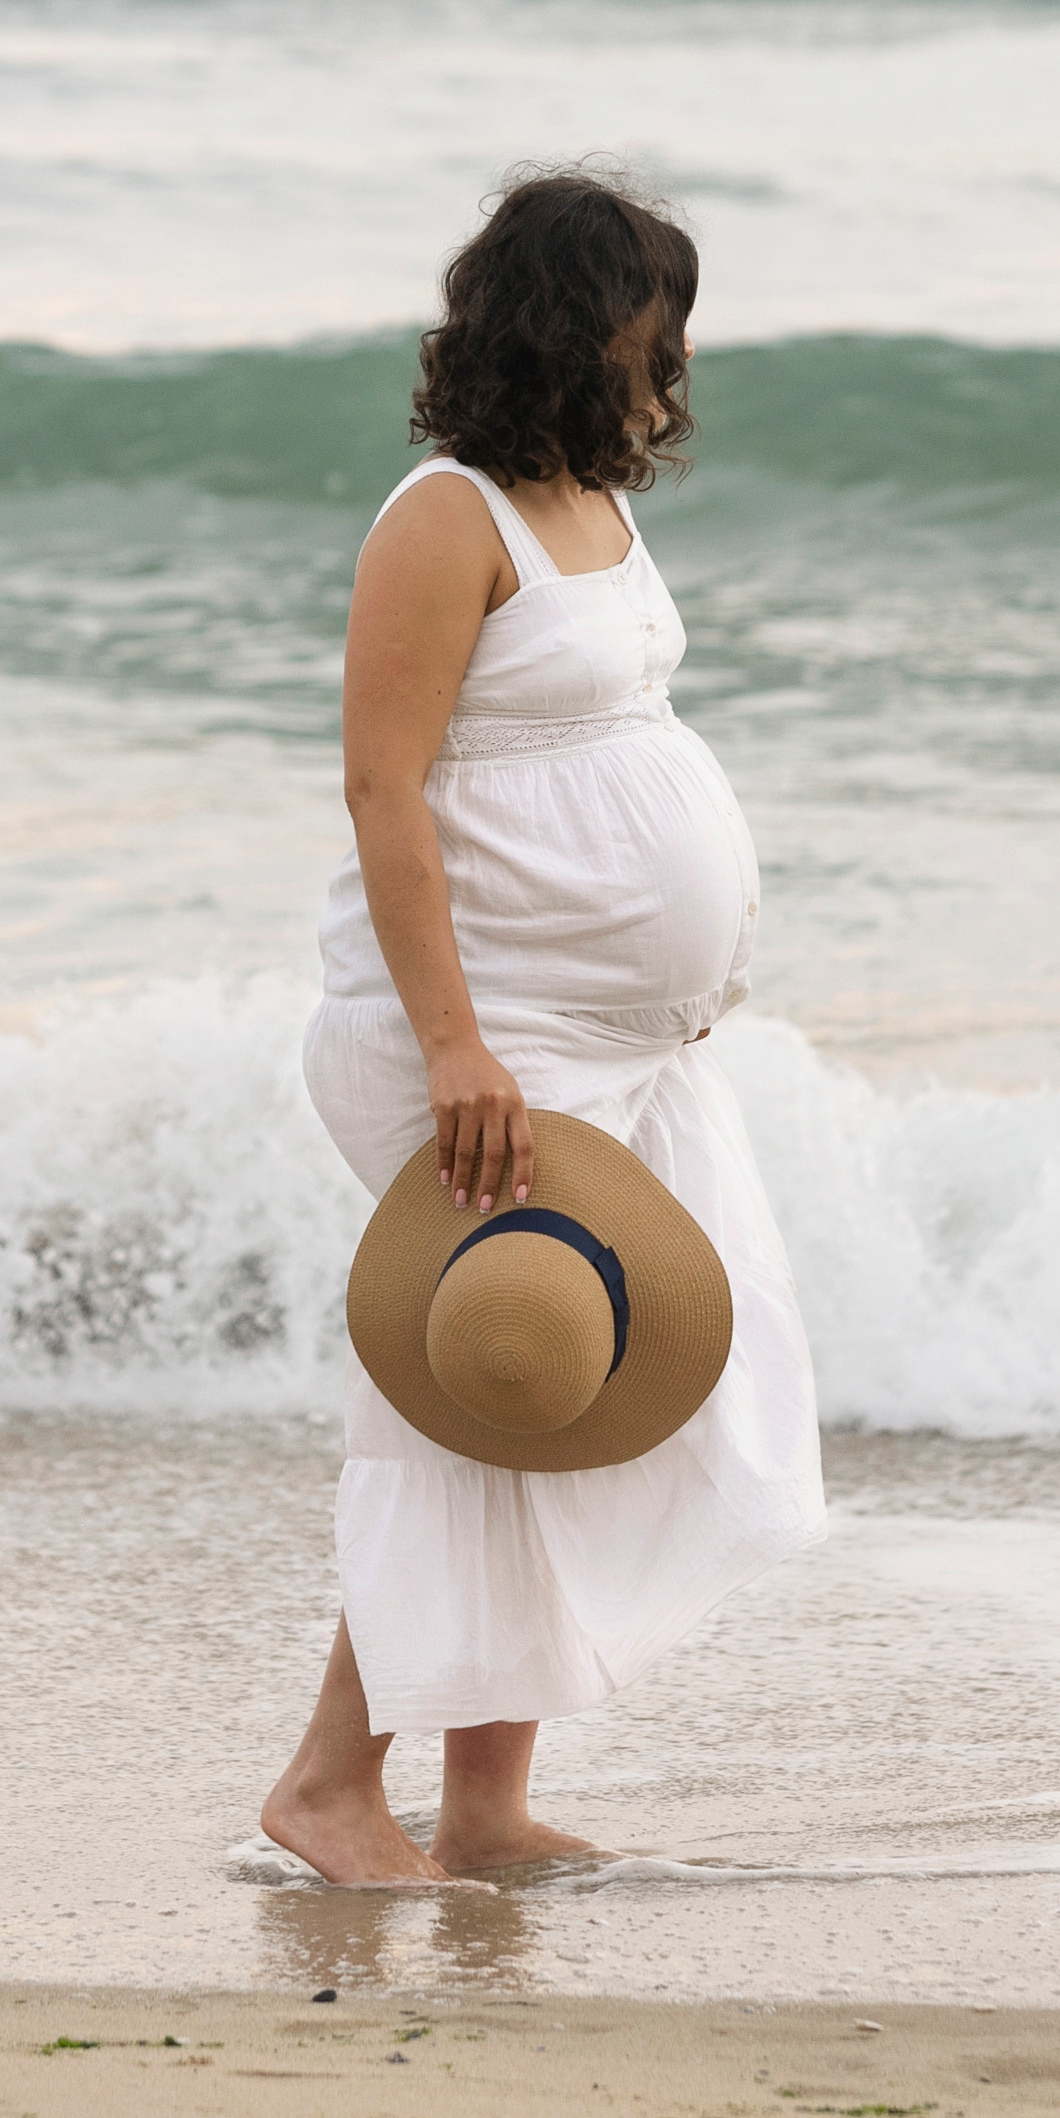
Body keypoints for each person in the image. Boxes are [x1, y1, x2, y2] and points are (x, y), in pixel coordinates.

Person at [261, 169, 826, 1884]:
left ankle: (484, 1804)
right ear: (572, 331)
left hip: (616, 1044)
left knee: (558, 1386)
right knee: (472, 1390)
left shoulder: (590, 499)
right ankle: (327, 1788)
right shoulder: (444, 517)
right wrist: (456, 1048)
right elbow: (383, 792)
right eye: (651, 334)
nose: (671, 371)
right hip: (479, 1035)